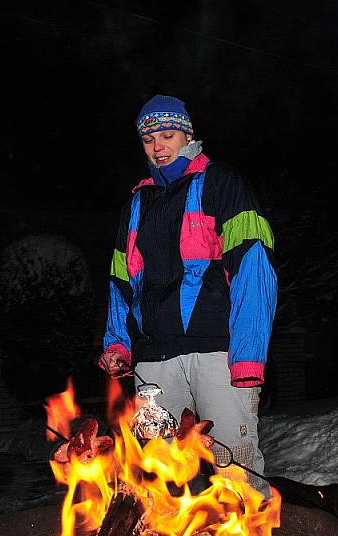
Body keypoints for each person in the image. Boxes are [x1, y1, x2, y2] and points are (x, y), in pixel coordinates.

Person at [99, 95, 277, 494]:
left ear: (188, 135)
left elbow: (254, 268)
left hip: (217, 353)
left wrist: (248, 355)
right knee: (159, 473)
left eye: (168, 135)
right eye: (149, 139)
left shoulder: (221, 182)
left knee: (236, 469)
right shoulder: (135, 204)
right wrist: (118, 343)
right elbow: (120, 281)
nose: (158, 146)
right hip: (154, 360)